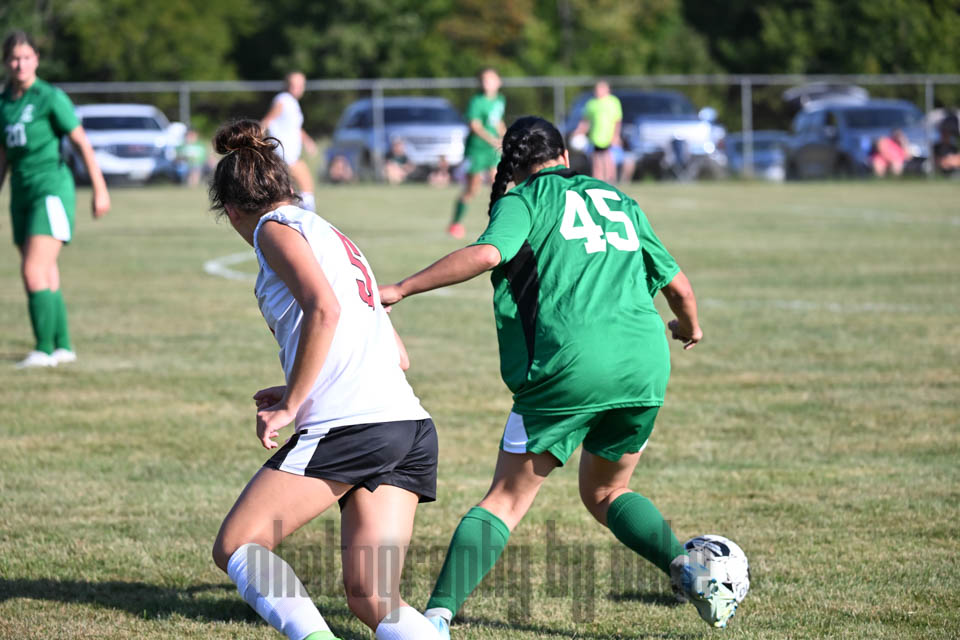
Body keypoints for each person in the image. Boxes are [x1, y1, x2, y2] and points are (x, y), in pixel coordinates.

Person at [380, 116, 739, 635]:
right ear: (566, 157)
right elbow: (678, 286)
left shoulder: (522, 199)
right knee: (607, 492)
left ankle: (435, 619)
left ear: (516, 165)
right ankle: (688, 570)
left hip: (569, 368)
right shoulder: (617, 197)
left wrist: (402, 289)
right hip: (644, 364)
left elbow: (487, 254)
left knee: (505, 499)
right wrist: (690, 327)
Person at [207, 119, 443, 640]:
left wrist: (292, 401)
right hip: (406, 425)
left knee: (238, 544)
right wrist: (300, 380)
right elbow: (395, 354)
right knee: (372, 599)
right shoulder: (332, 234)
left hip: (353, 425)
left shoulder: (272, 229)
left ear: (232, 211)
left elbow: (324, 309)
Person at [0, 30, 110, 369]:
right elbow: (3, 156)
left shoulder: (49, 97)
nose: (20, 64)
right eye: (14, 58)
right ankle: (62, 346)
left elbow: (82, 144)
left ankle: (43, 350)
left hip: (51, 190)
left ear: (36, 59)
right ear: (6, 62)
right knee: (46, 271)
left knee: (33, 270)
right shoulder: (5, 102)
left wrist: (99, 187)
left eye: (26, 57)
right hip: (22, 192)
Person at [447, 67, 505, 238]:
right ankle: (455, 223)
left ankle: (500, 223)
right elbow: (474, 126)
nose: (487, 83)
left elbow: (497, 121)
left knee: (499, 184)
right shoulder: (476, 101)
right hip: (477, 150)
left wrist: (506, 136)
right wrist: (492, 140)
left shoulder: (500, 100)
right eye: (484, 80)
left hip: (492, 150)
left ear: (498, 82)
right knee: (472, 189)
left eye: (491, 79)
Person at [262, 71, 318, 211]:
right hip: (284, 152)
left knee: (292, 189)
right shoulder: (283, 100)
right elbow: (267, 121)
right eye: (294, 84)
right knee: (306, 186)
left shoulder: (292, 103)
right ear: (287, 85)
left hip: (290, 152)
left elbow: (295, 127)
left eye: (300, 85)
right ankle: (307, 217)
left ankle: (298, 215)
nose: (297, 88)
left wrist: (307, 141)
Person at [573, 81, 622, 183]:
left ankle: (610, 180)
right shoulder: (592, 104)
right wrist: (579, 131)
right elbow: (585, 121)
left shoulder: (613, 102)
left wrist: (616, 135)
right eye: (597, 89)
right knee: (596, 159)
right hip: (595, 136)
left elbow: (618, 120)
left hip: (608, 136)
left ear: (607, 90)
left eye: (601, 89)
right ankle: (598, 181)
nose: (598, 91)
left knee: (608, 158)